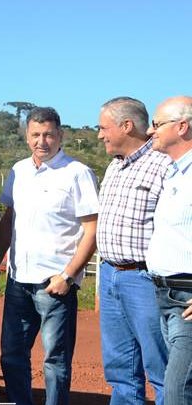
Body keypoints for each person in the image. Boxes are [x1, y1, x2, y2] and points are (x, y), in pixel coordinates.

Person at [0, 107, 98, 405]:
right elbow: (9, 219)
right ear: (26, 136)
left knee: (55, 360)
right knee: (11, 355)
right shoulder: (18, 170)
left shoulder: (77, 173)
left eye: (48, 134)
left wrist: (68, 275)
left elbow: (92, 230)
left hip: (54, 283)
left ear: (60, 135)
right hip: (18, 280)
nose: (42, 141)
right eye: (36, 134)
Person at [96, 97, 169, 404]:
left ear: (126, 126)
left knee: (162, 366)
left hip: (145, 280)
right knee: (120, 369)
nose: (100, 135)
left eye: (104, 128)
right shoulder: (114, 167)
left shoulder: (163, 165)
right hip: (110, 273)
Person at [146, 96, 192, 405]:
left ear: (183, 126)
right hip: (165, 296)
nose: (151, 132)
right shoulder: (174, 173)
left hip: (187, 299)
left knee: (178, 392)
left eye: (157, 124)